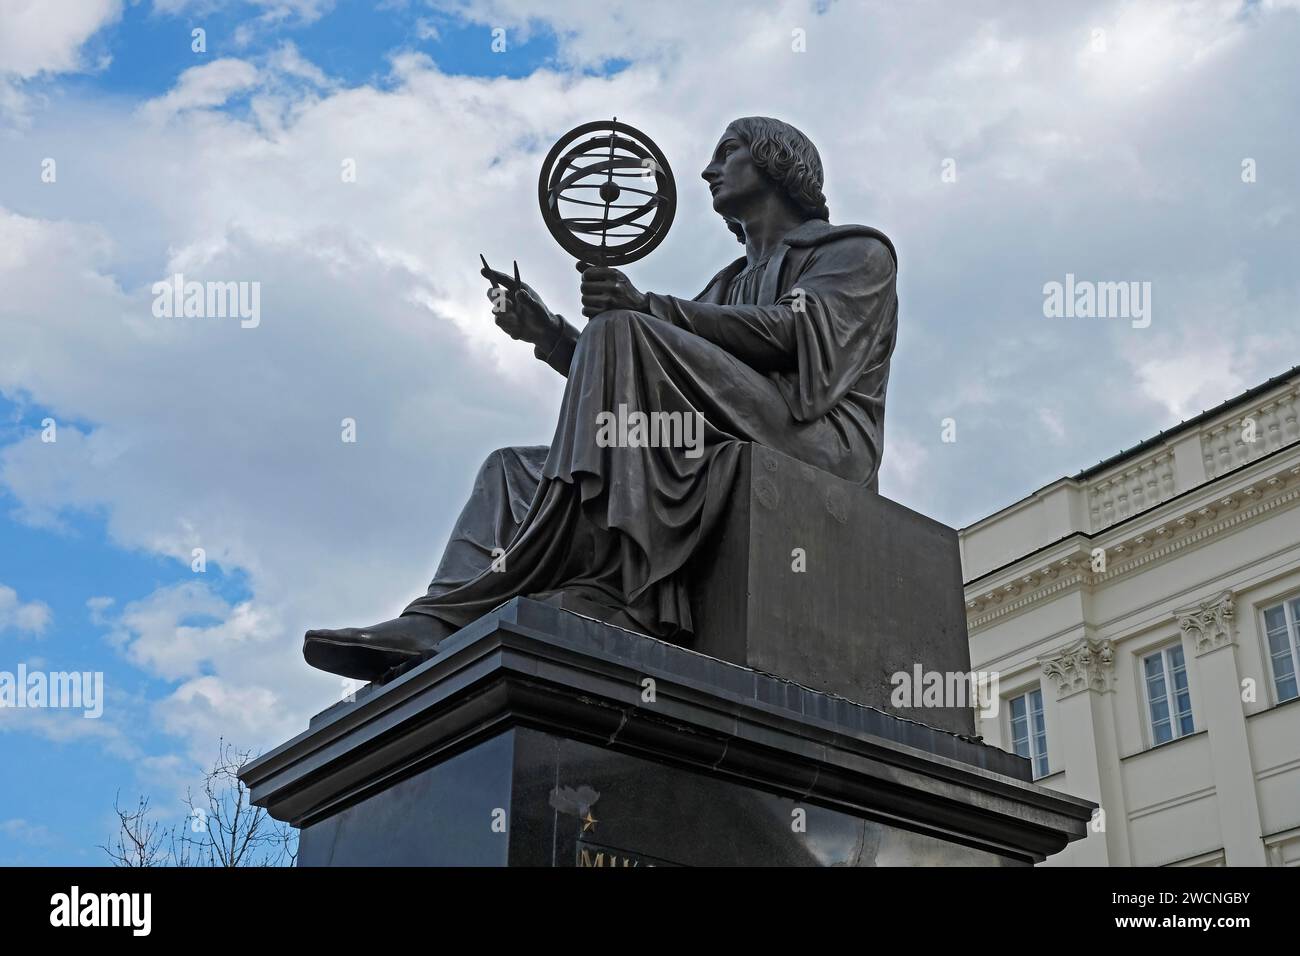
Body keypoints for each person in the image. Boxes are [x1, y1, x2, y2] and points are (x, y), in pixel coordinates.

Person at [304, 116, 899, 681]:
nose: (706, 171)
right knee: (510, 469)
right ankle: (437, 618)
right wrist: (553, 335)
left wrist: (645, 310)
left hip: (815, 439)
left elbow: (796, 336)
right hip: (729, 428)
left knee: (620, 330)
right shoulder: (723, 285)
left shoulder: (856, 252)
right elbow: (637, 376)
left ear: (775, 162)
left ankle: (617, 590)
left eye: (726, 153)